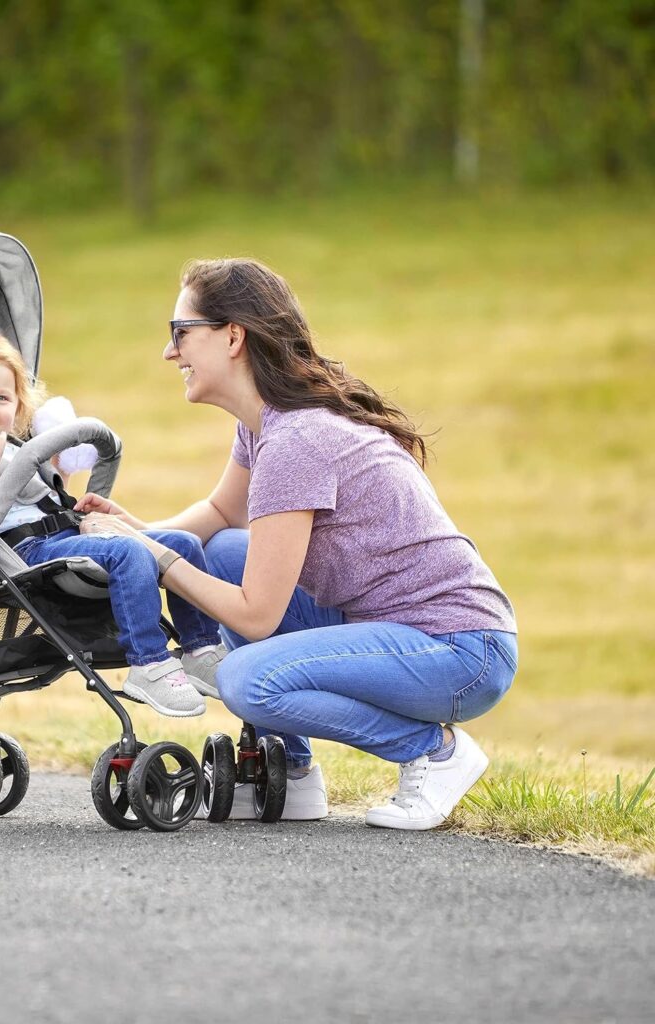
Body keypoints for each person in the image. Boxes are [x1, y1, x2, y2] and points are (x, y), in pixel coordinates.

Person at [74, 258, 517, 830]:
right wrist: (133, 535)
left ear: (232, 336)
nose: (170, 352)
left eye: (179, 332)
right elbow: (218, 515)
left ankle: (435, 753)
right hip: (410, 633)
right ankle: (296, 774)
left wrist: (159, 560)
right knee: (227, 552)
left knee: (245, 680)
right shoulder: (267, 426)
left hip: (460, 652)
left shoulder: (296, 442)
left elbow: (256, 617)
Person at [0, 326, 228, 718]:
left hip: (63, 532)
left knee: (182, 544)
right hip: (20, 551)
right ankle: (148, 663)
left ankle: (200, 648)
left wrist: (75, 505)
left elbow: (37, 496)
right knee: (129, 553)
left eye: (1, 398)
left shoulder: (14, 447)